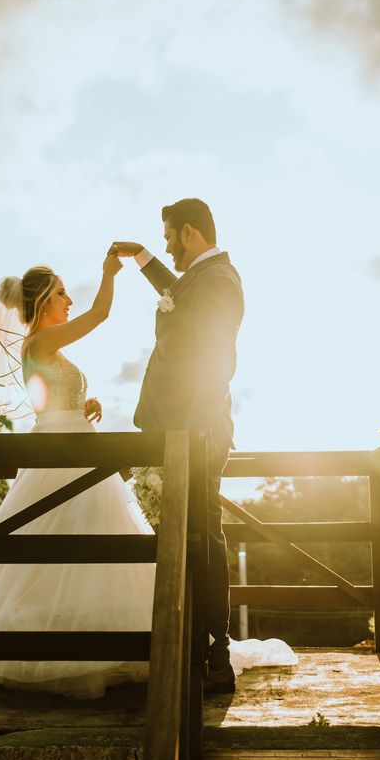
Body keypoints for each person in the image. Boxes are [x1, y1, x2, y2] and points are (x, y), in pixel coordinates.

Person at [0, 256, 157, 699]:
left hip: (77, 450)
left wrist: (84, 403)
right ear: (43, 301)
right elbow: (100, 314)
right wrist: (110, 273)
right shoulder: (38, 342)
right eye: (62, 292)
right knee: (59, 549)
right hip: (62, 458)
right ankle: (56, 654)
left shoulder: (48, 349)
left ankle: (97, 643)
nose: (70, 300)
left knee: (87, 546)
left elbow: (55, 398)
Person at [110, 197, 245, 693]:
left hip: (195, 434)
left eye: (168, 236)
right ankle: (187, 645)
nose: (167, 245)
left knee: (203, 539)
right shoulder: (201, 280)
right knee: (183, 540)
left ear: (189, 232)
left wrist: (190, 435)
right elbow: (178, 296)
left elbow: (217, 362)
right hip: (176, 434)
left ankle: (215, 654)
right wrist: (145, 258)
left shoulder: (219, 282)